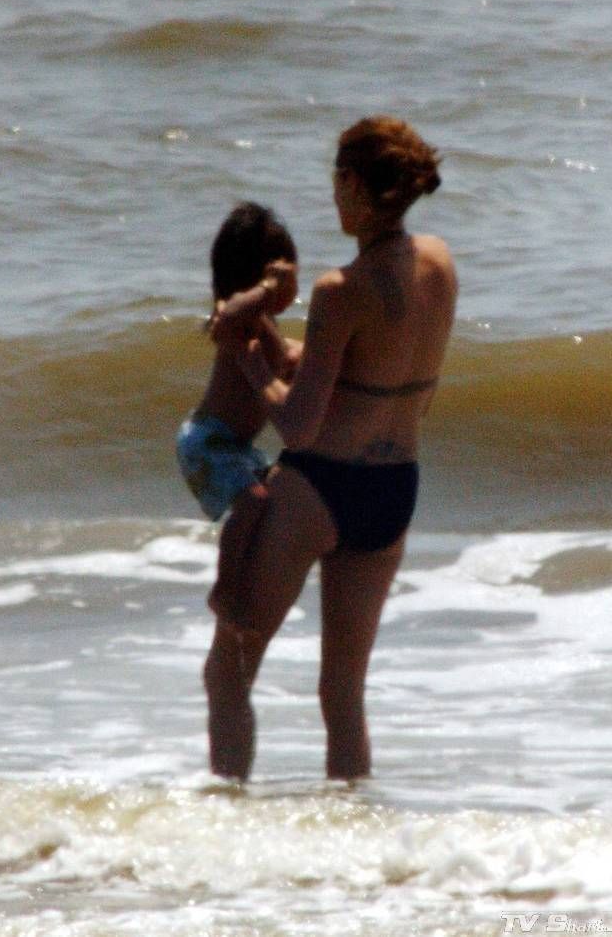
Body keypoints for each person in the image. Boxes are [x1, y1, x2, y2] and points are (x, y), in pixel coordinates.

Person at [205, 116, 458, 781]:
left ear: (351, 183)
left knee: (226, 672)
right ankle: (359, 870)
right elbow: (393, 380)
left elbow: (298, 429)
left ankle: (221, 838)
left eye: (334, 180)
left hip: (320, 487)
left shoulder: (338, 290)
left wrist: (251, 363)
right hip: (395, 490)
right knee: (342, 697)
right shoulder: (440, 263)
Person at [176, 202, 299, 616]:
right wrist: (267, 288)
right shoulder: (235, 320)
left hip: (236, 445)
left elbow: (288, 357)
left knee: (279, 496)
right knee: (252, 504)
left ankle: (251, 576)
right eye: (283, 279)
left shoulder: (262, 326)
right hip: (209, 440)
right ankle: (226, 589)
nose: (289, 290)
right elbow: (229, 312)